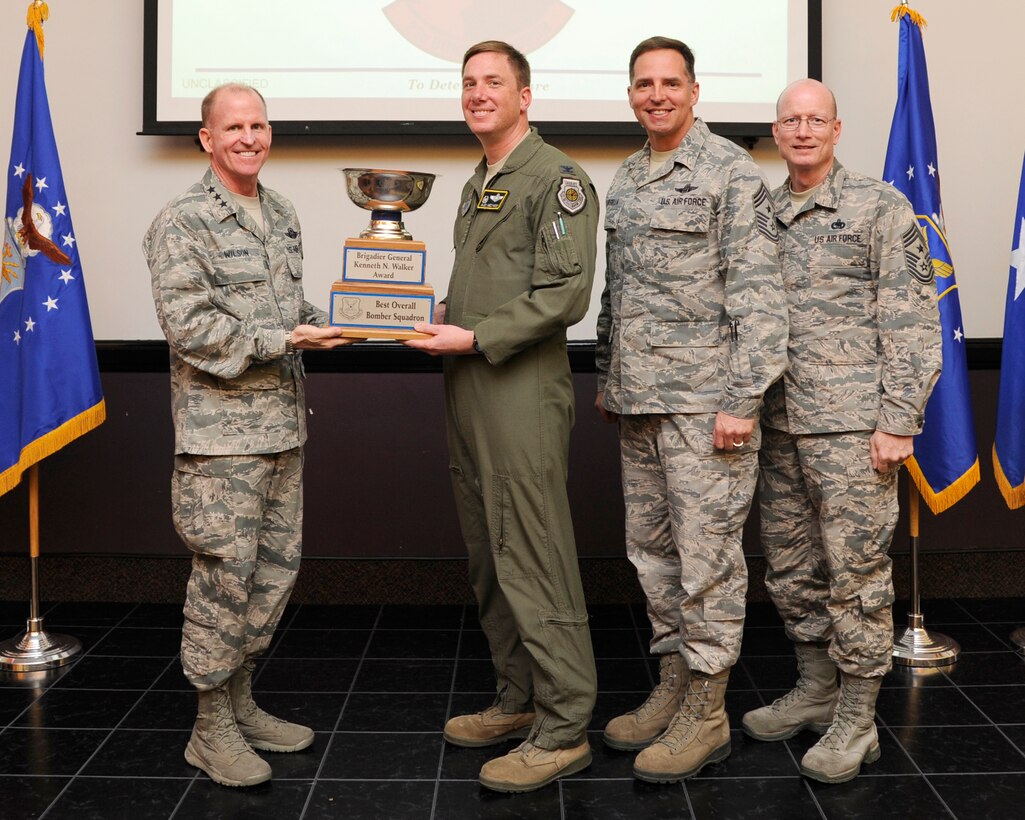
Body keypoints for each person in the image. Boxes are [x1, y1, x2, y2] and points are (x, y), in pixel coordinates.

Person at [143, 83, 353, 788]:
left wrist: (339, 316)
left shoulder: (282, 213)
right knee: (224, 581)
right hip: (220, 442)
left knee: (272, 575)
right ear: (207, 139)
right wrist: (283, 335)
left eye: (258, 125)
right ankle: (209, 726)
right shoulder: (183, 222)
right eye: (232, 127)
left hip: (283, 429)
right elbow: (192, 329)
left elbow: (288, 306)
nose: (248, 137)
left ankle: (239, 700)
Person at [404, 40, 599, 793]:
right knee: (489, 552)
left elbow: (564, 293)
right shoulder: (478, 181)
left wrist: (475, 335)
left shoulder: (555, 177)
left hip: (517, 389)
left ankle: (563, 724)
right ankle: (517, 699)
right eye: (468, 83)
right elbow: (488, 282)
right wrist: (437, 316)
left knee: (530, 550)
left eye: (493, 82)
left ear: (525, 96)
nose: (477, 93)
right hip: (467, 384)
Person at [595, 36, 788, 783]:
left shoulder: (729, 173)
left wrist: (742, 401)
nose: (655, 95)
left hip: (709, 409)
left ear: (694, 91)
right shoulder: (627, 179)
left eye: (669, 83)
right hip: (640, 403)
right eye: (643, 84)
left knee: (706, 562)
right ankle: (673, 684)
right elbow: (619, 292)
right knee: (653, 555)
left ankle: (705, 711)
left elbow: (761, 300)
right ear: (631, 94)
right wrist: (613, 377)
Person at [740, 79, 941, 784]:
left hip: (853, 430)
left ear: (835, 128)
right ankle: (815, 689)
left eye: (813, 120)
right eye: (789, 120)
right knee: (791, 571)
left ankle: (858, 718)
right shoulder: (759, 212)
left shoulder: (879, 207)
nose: (800, 130)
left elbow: (914, 320)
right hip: (777, 423)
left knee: (854, 576)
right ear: (775, 131)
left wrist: (898, 421)